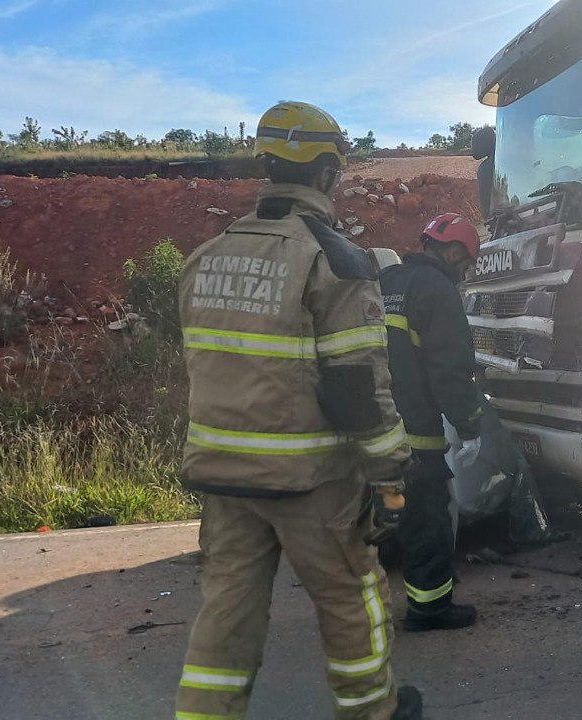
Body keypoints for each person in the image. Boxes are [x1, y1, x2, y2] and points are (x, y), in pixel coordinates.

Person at [173, 100, 422, 720]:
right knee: (350, 597)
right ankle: (372, 711)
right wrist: (391, 467)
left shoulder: (204, 257)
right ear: (328, 174)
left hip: (223, 478)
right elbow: (356, 389)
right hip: (310, 481)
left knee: (226, 612)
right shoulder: (333, 260)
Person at [380, 212, 485, 632]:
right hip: (416, 440)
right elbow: (450, 370)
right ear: (455, 252)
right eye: (466, 265)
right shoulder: (438, 291)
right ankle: (430, 608)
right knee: (428, 520)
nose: (464, 274)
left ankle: (372, 603)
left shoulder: (387, 282)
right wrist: (471, 424)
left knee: (391, 512)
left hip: (375, 436)